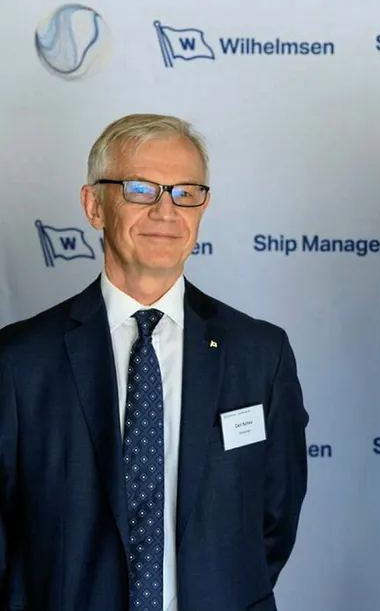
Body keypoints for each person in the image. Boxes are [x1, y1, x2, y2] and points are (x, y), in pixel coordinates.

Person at [0, 114, 309, 611]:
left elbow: (274, 520)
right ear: (94, 206)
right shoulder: (20, 361)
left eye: (186, 192)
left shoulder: (259, 355)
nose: (166, 211)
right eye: (141, 189)